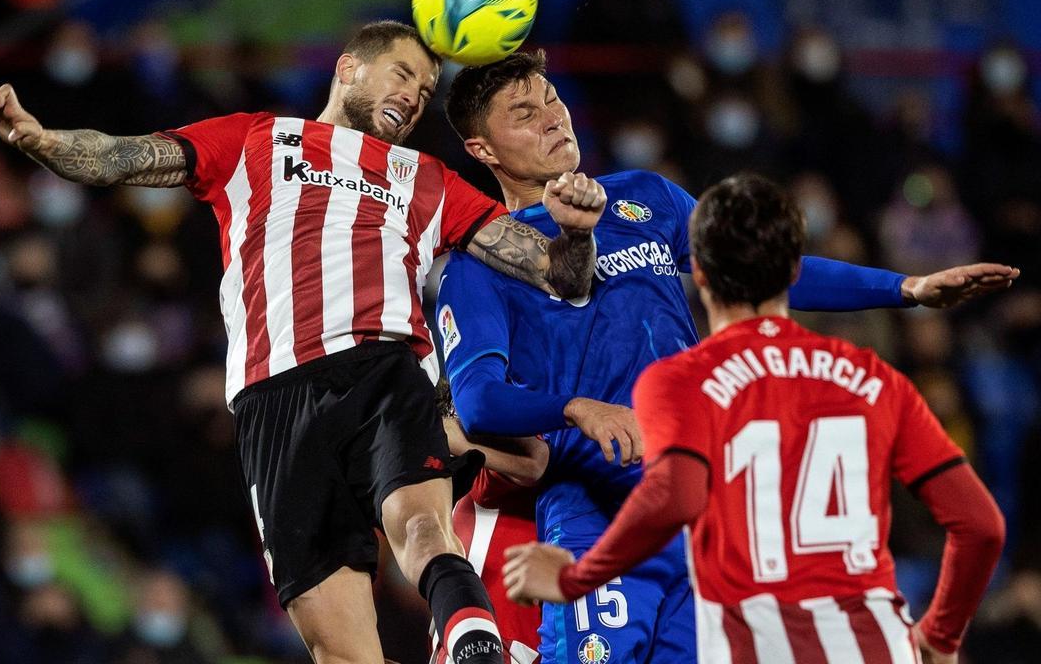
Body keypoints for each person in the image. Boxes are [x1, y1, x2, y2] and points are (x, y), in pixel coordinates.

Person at [0, 20, 608, 664]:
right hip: (270, 398)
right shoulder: (252, 139)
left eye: (427, 87)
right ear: (349, 68)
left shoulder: (427, 177)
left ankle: (473, 638)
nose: (415, 95)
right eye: (403, 73)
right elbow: (114, 157)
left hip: (380, 367)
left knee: (420, 525)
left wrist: (576, 235)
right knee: (337, 645)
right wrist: (40, 139)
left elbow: (558, 273)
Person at [437, 50, 1018, 664]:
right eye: (524, 113)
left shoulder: (644, 197)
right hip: (596, 512)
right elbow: (477, 402)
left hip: (707, 508)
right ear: (483, 150)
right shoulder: (479, 267)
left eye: (552, 99)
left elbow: (760, 269)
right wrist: (578, 409)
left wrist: (906, 289)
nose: (553, 118)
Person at [503, 173, 1006, 663]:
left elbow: (673, 495)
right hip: (879, 643)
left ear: (697, 273)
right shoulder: (872, 380)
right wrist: (940, 633)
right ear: (793, 272)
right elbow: (982, 525)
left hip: (758, 643)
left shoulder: (679, 381)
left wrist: (574, 579)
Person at [435, 381, 547, 664]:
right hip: (468, 647)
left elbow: (536, 461)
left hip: (503, 648)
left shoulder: (484, 481)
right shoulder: (454, 499)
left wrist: (434, 427)